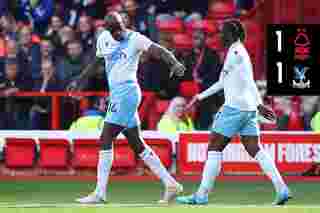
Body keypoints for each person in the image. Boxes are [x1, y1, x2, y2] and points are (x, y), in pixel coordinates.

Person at [69, 12, 185, 204]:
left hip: (127, 92)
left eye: (120, 28)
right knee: (136, 142)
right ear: (108, 31)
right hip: (118, 93)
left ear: (124, 24)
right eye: (114, 31)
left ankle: (100, 193)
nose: (118, 34)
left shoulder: (135, 39)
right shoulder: (104, 39)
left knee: (106, 137)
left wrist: (174, 63)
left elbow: (159, 50)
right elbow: (97, 62)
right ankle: (170, 183)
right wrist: (79, 81)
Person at [176, 20, 291, 205]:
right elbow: (225, 82)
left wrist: (260, 104)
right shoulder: (237, 51)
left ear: (231, 34)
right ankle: (282, 188)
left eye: (223, 32)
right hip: (248, 109)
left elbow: (247, 80)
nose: (220, 35)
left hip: (234, 107)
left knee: (214, 147)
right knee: (255, 148)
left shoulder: (235, 52)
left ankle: (201, 195)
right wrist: (199, 97)